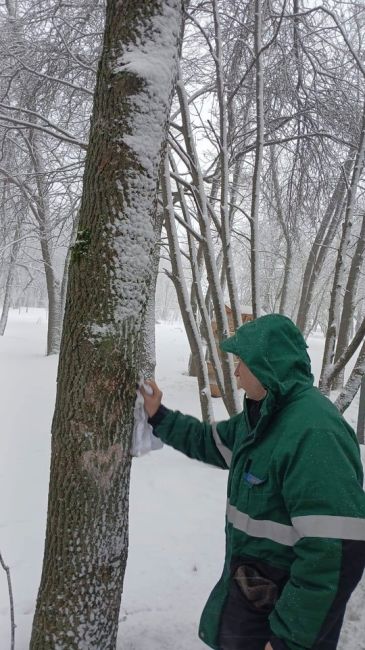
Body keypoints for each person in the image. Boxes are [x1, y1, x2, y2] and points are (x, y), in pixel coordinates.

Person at [141, 314, 365, 650]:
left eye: (241, 363)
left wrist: (290, 640)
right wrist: (158, 415)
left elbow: (335, 551)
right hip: (254, 598)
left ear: (266, 365)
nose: (235, 372)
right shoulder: (264, 415)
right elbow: (210, 441)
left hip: (281, 619)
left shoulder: (313, 432)